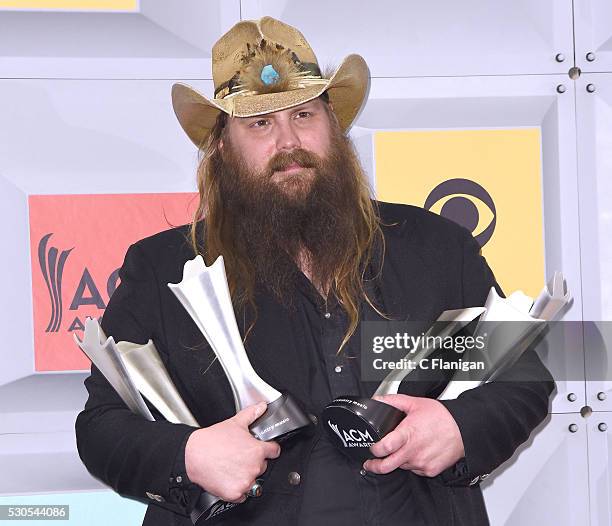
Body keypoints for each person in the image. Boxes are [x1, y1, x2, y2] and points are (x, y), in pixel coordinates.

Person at [75, 16, 554, 526]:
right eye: (259, 123)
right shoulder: (164, 270)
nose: (288, 141)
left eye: (303, 114)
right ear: (221, 146)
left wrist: (459, 426)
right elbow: (102, 427)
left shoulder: (437, 247)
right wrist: (190, 455)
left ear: (334, 125)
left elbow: (521, 378)